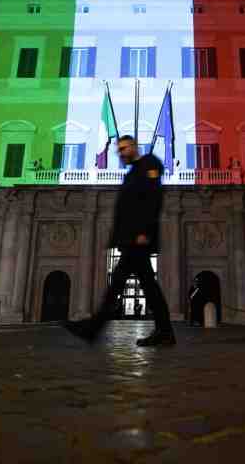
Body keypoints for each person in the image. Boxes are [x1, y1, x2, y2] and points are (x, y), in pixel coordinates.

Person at [64, 135, 176, 346]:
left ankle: (92, 328)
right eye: (119, 149)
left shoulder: (149, 164)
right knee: (147, 287)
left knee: (119, 285)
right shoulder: (133, 173)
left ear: (134, 146)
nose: (120, 153)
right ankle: (164, 331)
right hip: (130, 240)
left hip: (138, 240)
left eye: (124, 148)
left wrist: (144, 232)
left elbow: (154, 198)